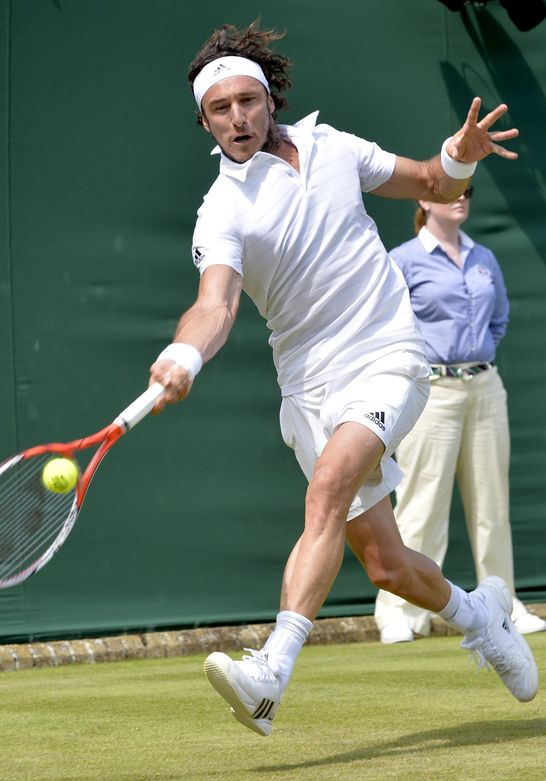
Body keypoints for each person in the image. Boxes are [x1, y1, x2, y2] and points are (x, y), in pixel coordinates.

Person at [148, 21, 539, 736]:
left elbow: (428, 181)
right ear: (203, 120)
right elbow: (216, 303)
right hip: (310, 389)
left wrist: (460, 153)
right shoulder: (224, 207)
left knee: (327, 486)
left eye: (246, 101)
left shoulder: (333, 148)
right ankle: (482, 615)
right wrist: (185, 356)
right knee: (389, 566)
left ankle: (270, 671)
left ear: (269, 98)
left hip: (389, 354)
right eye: (219, 110)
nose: (237, 119)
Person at [374, 187, 546, 643]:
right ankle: (401, 613)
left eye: (467, 191)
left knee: (493, 505)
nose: (461, 198)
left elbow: (500, 317)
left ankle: (504, 606)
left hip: (486, 387)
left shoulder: (484, 256)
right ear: (424, 202)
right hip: (431, 390)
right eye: (451, 190)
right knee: (421, 505)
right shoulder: (404, 259)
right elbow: (387, 324)